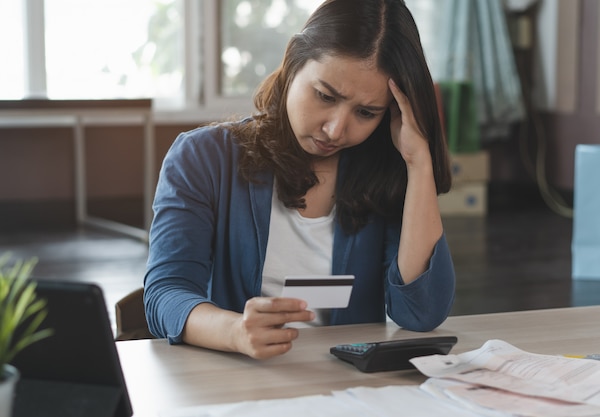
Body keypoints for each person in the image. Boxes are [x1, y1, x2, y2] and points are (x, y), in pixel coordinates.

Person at [144, 0, 455, 360]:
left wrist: (418, 163)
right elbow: (165, 294)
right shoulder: (203, 157)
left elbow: (421, 313)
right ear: (293, 61)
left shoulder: (386, 172)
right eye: (325, 95)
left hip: (347, 390)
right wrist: (234, 332)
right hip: (238, 380)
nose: (336, 129)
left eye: (366, 112)